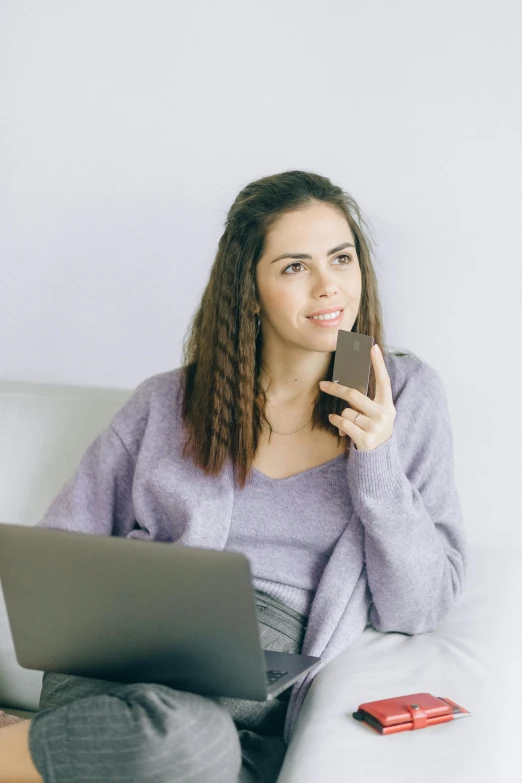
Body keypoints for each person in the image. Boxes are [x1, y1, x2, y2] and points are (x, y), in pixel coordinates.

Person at [0, 170, 468, 783]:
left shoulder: (407, 395)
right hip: (120, 662)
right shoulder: (165, 402)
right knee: (170, 741)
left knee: (191, 744)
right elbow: (59, 556)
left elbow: (420, 607)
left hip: (234, 714)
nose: (330, 286)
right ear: (250, 290)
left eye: (342, 258)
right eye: (295, 267)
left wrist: (376, 457)